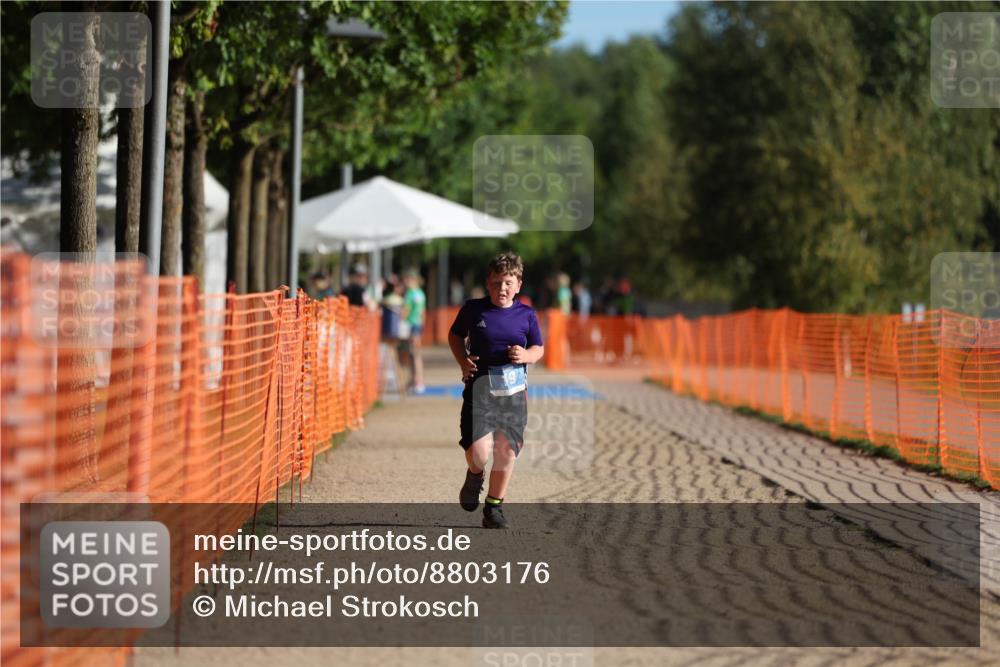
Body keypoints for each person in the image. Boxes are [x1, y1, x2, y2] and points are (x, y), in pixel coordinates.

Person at [448, 252, 544, 529]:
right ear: (487, 284)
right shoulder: (473, 309)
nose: (502, 288)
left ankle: (494, 508)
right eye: (496, 283)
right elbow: (455, 336)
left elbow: (538, 348)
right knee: (480, 454)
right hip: (480, 391)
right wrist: (462, 361)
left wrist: (525, 355)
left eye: (508, 283)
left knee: (507, 451)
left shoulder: (526, 314)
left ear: (518, 284)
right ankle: (475, 474)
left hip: (514, 394)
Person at [401, 269, 427, 394]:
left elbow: (406, 310)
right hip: (418, 325)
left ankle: (418, 382)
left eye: (407, 279)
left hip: (411, 325)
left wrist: (401, 322)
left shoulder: (410, 294)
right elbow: (423, 312)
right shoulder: (421, 293)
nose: (405, 281)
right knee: (414, 354)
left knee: (414, 354)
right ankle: (414, 381)